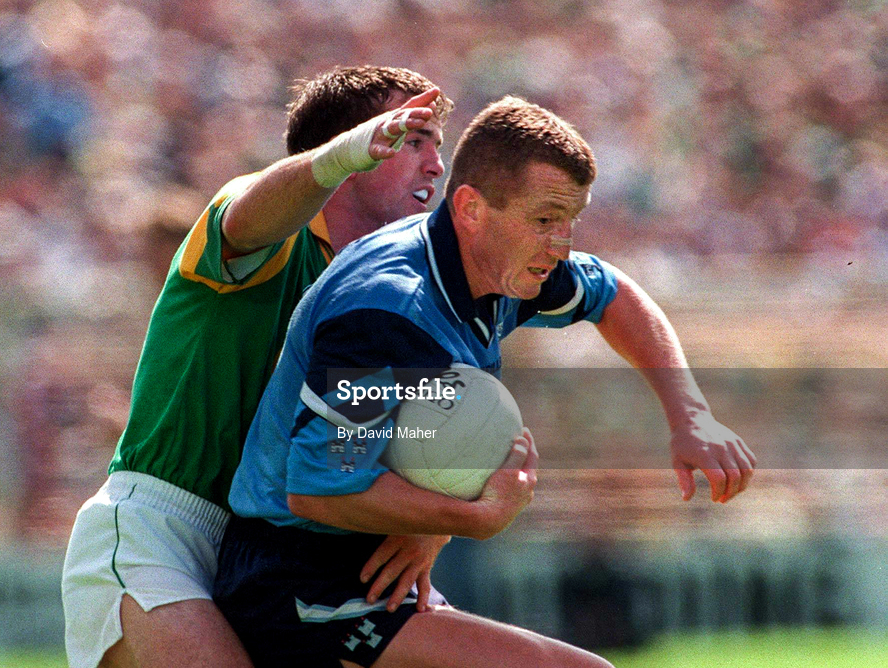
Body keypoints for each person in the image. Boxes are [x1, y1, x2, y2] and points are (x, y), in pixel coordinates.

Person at [214, 96, 757, 668]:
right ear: (471, 208)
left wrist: (690, 415)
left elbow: (614, 294)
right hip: (296, 583)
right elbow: (317, 487)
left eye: (570, 221)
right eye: (545, 219)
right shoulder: (389, 312)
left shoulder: (497, 269)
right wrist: (475, 517)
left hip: (365, 570)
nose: (561, 245)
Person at [60, 66, 454, 668]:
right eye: (412, 139)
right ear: (354, 145)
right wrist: (339, 157)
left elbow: (375, 443)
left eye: (437, 147)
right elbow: (249, 218)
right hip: (160, 531)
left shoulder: (389, 295)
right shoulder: (268, 222)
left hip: (278, 555)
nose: (435, 166)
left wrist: (432, 522)